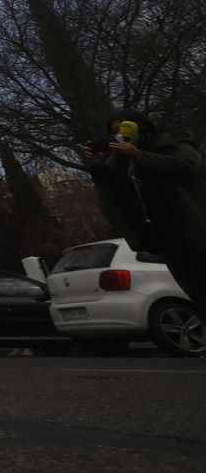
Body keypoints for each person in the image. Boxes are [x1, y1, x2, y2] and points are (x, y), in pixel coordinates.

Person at [81, 110, 206, 360]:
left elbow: (188, 166)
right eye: (115, 131)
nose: (122, 134)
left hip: (194, 226)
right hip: (164, 238)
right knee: (198, 293)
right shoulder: (119, 161)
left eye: (125, 127)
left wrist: (139, 155)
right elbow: (114, 191)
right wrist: (96, 168)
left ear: (141, 127)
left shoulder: (171, 144)